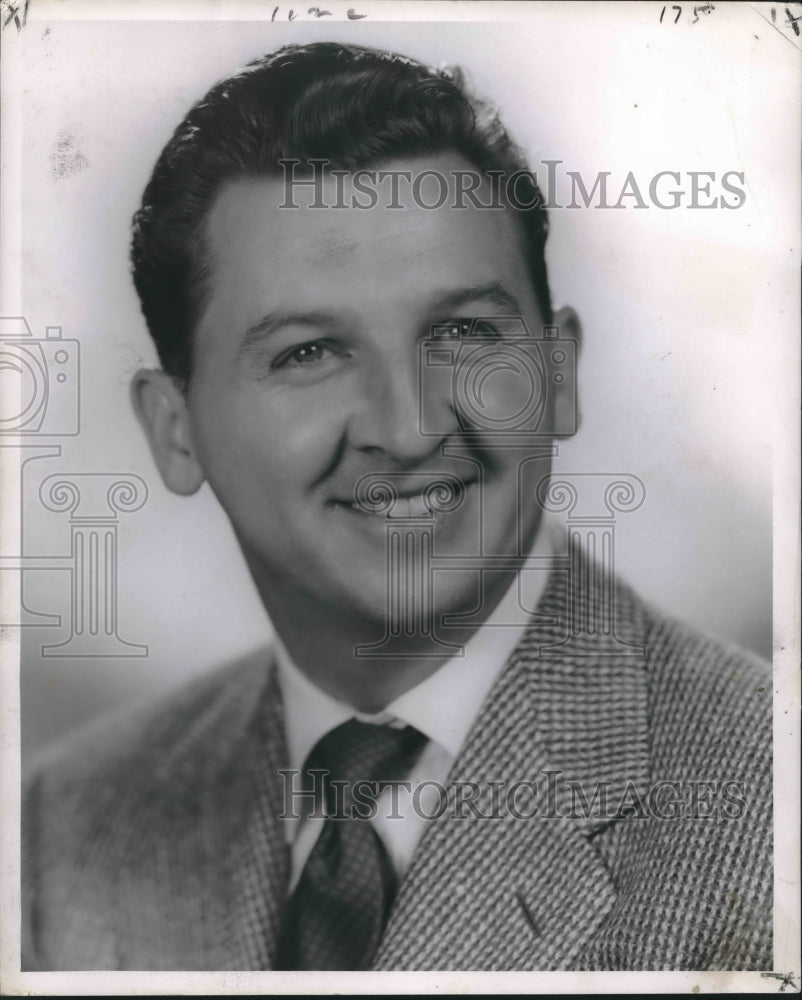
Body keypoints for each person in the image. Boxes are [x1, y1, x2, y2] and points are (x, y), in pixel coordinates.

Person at [22, 41, 772, 972]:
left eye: (461, 332)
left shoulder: (771, 804)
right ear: (176, 431)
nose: (409, 428)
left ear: (557, 374)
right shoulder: (61, 834)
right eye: (308, 353)